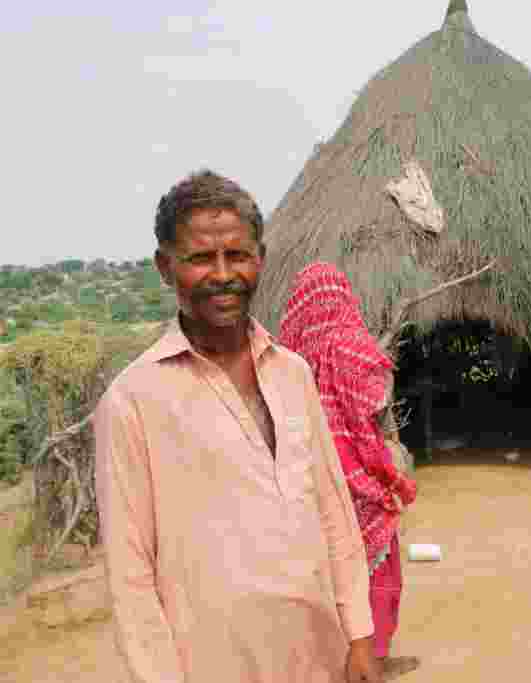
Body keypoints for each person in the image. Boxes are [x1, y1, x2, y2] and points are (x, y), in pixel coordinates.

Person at [93, 171, 381, 683]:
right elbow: (129, 571)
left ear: (260, 259)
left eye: (238, 255)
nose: (223, 274)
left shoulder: (293, 373)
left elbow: (333, 511)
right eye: (202, 258)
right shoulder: (132, 400)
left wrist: (359, 635)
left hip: (320, 656)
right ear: (165, 266)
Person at [279, 262, 420, 682]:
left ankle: (339, 659)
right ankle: (372, 660)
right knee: (378, 570)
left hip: (311, 483)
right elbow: (372, 407)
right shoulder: (351, 345)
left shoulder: (286, 357)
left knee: (330, 577)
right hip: (358, 480)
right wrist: (390, 467)